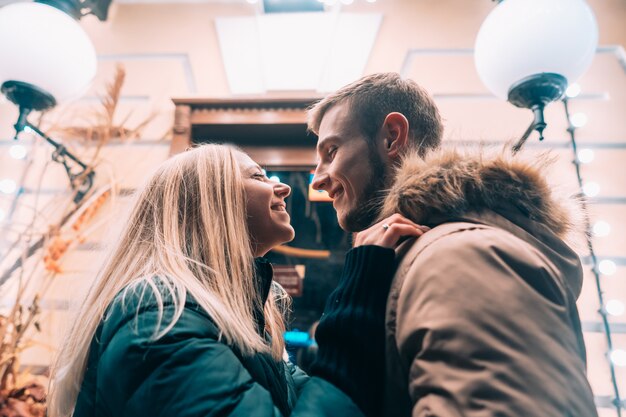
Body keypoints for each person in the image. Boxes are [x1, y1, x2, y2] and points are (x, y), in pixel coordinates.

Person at [47, 144, 426, 417]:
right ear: (209, 202)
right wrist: (359, 289)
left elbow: (315, 395)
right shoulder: (159, 311)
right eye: (259, 176)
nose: (285, 188)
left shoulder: (235, 316)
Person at [309, 72, 598, 417]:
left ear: (391, 137)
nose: (319, 178)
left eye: (331, 151)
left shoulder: (463, 256)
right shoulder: (420, 254)